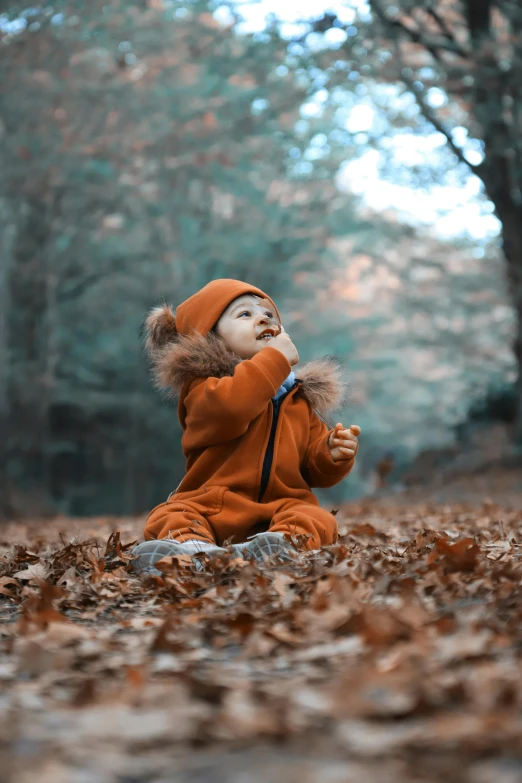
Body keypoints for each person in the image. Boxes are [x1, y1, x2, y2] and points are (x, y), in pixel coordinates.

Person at [132, 279, 361, 574]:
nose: (264, 318)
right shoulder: (204, 387)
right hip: (211, 505)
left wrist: (332, 454)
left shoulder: (297, 398)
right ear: (210, 336)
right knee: (170, 515)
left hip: (279, 508)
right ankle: (195, 552)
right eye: (245, 314)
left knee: (317, 518)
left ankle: (277, 548)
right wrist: (274, 360)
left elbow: (312, 469)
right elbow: (232, 408)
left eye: (269, 315)